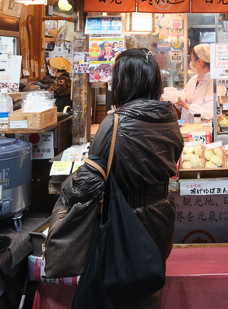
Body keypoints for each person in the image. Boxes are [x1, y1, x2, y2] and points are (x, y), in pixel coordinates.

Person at [88, 48, 184, 309]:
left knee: (122, 293)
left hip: (123, 219)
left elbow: (91, 179)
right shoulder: (169, 118)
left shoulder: (114, 123)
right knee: (151, 286)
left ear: (122, 82)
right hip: (161, 216)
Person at [176, 44, 214, 123]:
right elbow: (185, 98)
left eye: (192, 59)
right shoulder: (193, 79)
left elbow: (209, 112)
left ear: (199, 61)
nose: (191, 63)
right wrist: (175, 99)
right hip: (187, 128)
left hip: (201, 131)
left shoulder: (213, 82)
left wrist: (187, 106)